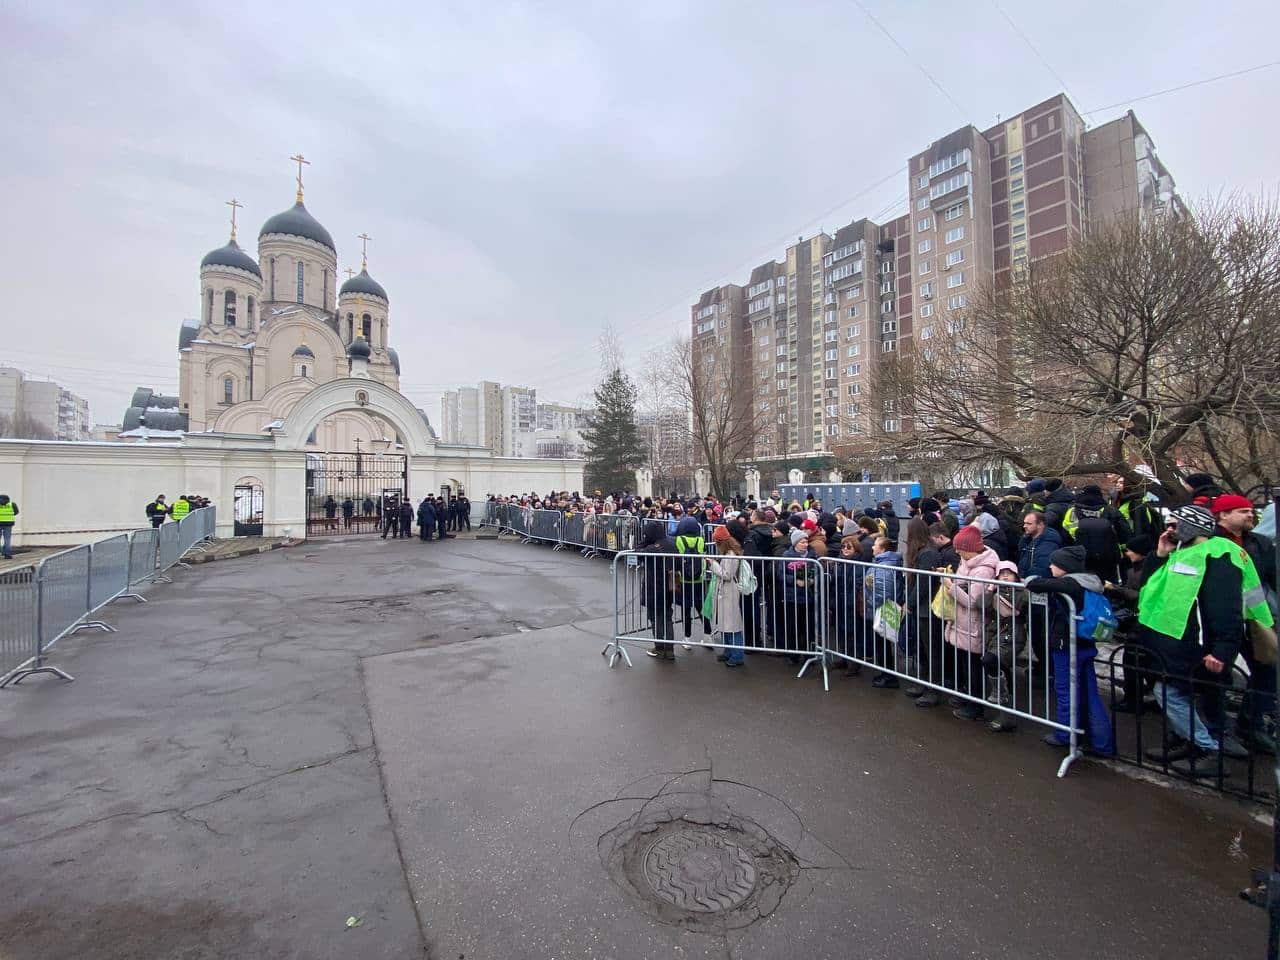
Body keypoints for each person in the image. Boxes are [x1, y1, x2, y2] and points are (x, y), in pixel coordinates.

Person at [1137, 505, 1271, 776]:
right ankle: (1190, 741)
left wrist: (1222, 651)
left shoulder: (1219, 556)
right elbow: (1151, 587)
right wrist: (1159, 555)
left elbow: (1226, 609)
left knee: (1169, 693)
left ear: (1193, 526)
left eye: (1175, 525)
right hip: (1171, 642)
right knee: (1179, 693)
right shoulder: (1182, 552)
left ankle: (1206, 748)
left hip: (1197, 645)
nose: (1169, 530)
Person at [1026, 545, 1116, 756]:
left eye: (1054, 564)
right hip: (1086, 642)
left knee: (1065, 691)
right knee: (1090, 693)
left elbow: (1036, 584)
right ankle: (1103, 743)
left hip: (1067, 645)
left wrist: (1031, 580)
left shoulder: (1070, 584)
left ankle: (1067, 734)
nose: (1050, 566)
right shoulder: (1091, 580)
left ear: (1065, 567)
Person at [1212, 493, 1277, 754]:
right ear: (1223, 515)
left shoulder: (1260, 543)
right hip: (1220, 620)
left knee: (1267, 670)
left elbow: (1270, 578)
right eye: (1242, 511)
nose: (1250, 515)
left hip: (1254, 619)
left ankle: (1252, 723)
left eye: (1251, 511)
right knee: (1218, 675)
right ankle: (1218, 730)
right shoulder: (1208, 541)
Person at [942, 525, 999, 721]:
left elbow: (975, 603)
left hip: (973, 624)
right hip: (962, 622)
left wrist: (951, 587)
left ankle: (975, 705)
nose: (957, 552)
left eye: (960, 548)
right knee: (965, 664)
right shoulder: (967, 562)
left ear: (970, 548)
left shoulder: (983, 571)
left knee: (973, 667)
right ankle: (967, 697)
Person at [1062, 484, 1131, 584]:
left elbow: (1065, 536)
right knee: (1109, 588)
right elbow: (1125, 535)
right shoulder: (1111, 511)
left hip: (1080, 558)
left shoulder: (1071, 512)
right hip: (1108, 558)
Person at [865, 535, 905, 688]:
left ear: (882, 549)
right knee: (883, 644)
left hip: (880, 610)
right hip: (882, 609)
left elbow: (882, 593)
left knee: (882, 644)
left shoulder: (884, 567)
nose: (872, 547)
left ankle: (888, 677)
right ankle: (886, 674)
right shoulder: (884, 563)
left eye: (875, 545)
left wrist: (869, 603)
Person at [706, 526, 747, 667]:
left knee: (732, 625)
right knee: (726, 623)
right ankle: (729, 651)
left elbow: (727, 575)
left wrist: (713, 564)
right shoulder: (731, 552)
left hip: (729, 591)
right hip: (726, 591)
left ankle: (736, 655)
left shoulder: (730, 555)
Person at [640, 521, 677, 660]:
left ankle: (660, 648)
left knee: (656, 618)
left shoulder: (651, 548)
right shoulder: (671, 544)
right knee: (667, 617)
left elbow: (638, 553)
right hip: (669, 586)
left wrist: (645, 541)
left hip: (653, 587)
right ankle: (670, 649)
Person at [781, 529, 819, 659]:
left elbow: (820, 572)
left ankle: (810, 653)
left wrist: (813, 580)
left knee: (808, 627)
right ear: (795, 543)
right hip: (792, 597)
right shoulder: (786, 556)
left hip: (809, 597)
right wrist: (795, 581)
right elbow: (780, 575)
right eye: (802, 542)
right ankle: (793, 654)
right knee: (792, 627)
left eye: (806, 541)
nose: (805, 544)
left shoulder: (813, 555)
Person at [673, 517, 709, 646]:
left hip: (683, 580)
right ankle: (708, 636)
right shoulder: (701, 540)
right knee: (702, 608)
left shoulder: (679, 540)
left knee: (686, 610)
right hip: (699, 579)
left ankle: (687, 639)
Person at [0, 494, 18, 560]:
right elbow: (16, 512)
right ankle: (7, 555)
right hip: (8, 524)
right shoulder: (12, 504)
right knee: (7, 539)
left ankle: (1, 550)